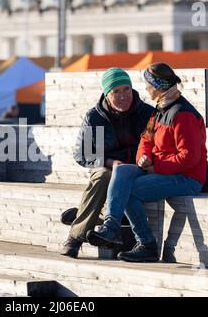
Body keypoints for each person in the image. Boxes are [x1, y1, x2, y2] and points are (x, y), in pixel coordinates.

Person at [85, 62, 207, 263]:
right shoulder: (160, 109)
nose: (145, 88)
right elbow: (146, 139)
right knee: (122, 171)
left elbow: (189, 157)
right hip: (161, 171)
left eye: (148, 84)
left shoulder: (183, 114)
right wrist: (145, 157)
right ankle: (110, 227)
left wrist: (155, 166)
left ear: (157, 86)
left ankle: (147, 244)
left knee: (129, 189)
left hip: (187, 178)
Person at [61, 67, 153, 258]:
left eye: (126, 89)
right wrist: (110, 162)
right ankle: (75, 238)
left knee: (122, 179)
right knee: (104, 174)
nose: (123, 96)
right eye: (116, 91)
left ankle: (88, 215)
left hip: (138, 168)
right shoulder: (94, 117)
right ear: (106, 94)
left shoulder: (147, 113)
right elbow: (82, 155)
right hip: (106, 167)